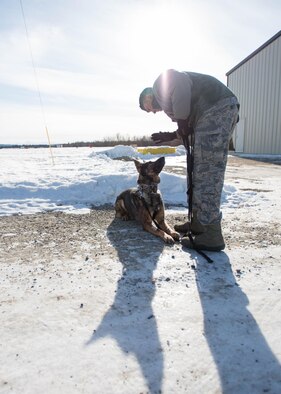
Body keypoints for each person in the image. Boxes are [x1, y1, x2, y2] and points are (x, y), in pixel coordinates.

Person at [139, 69, 239, 252]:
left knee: (208, 173)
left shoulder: (160, 85)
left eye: (149, 109)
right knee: (198, 173)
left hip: (216, 108)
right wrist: (174, 134)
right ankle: (199, 224)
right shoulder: (173, 101)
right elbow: (187, 130)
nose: (153, 112)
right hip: (210, 113)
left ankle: (211, 234)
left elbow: (178, 81)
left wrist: (181, 121)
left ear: (147, 97)